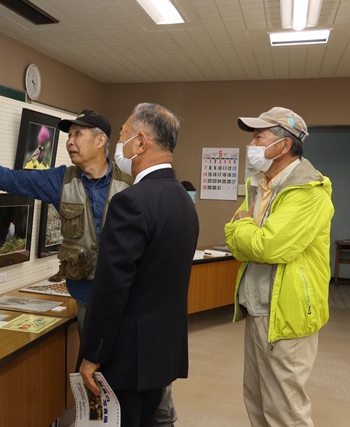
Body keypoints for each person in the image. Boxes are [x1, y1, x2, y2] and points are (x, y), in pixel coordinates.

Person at [0, 109, 133, 335]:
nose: (69, 142)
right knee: (91, 360)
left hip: (127, 291)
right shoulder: (60, 180)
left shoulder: (131, 181)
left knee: (125, 360)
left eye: (77, 134)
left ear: (100, 140)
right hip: (86, 293)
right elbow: (11, 180)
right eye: (69, 136)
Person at [78, 103, 200, 427]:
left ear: (141, 143)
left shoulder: (130, 202)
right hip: (163, 349)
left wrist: (93, 355)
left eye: (122, 136)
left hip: (128, 357)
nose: (118, 146)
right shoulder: (183, 201)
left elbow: (112, 288)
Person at [224, 107, 334, 427]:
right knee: (257, 398)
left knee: (285, 408)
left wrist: (244, 229)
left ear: (284, 146)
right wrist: (244, 231)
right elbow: (237, 238)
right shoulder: (261, 183)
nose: (253, 143)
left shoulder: (307, 190)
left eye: (260, 136)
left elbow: (269, 247)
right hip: (259, 307)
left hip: (287, 312)